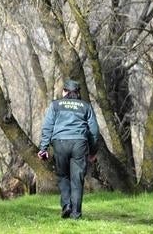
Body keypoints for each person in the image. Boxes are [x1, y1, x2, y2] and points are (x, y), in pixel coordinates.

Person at [37, 79, 99, 219]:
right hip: (79, 143)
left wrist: (43, 148)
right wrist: (93, 151)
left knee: (63, 175)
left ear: (64, 91)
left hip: (60, 143)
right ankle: (76, 214)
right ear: (78, 93)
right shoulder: (86, 106)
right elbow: (94, 131)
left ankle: (66, 205)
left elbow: (47, 127)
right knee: (77, 179)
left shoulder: (55, 105)